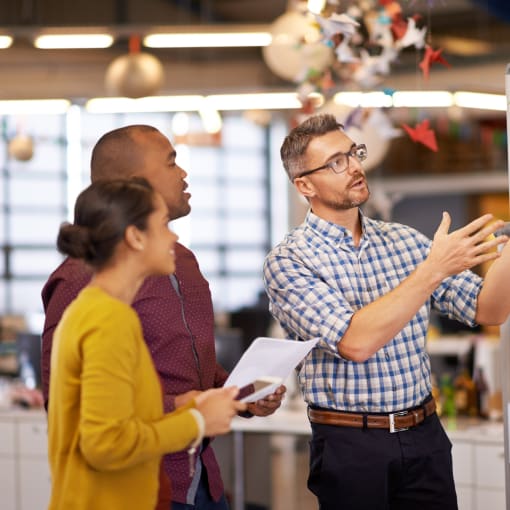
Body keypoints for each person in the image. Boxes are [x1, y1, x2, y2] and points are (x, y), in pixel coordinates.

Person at [263, 113, 510, 510]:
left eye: (353, 154)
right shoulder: (289, 261)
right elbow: (355, 342)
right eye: (336, 163)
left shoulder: (403, 240)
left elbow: (489, 309)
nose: (356, 167)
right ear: (304, 185)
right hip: (350, 445)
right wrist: (433, 270)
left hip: (424, 434)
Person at [41, 125, 285, 510]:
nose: (183, 173)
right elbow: (81, 419)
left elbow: (178, 375)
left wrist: (236, 394)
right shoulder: (91, 300)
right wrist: (194, 416)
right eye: (172, 161)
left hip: (197, 475)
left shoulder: (179, 265)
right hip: (133, 488)